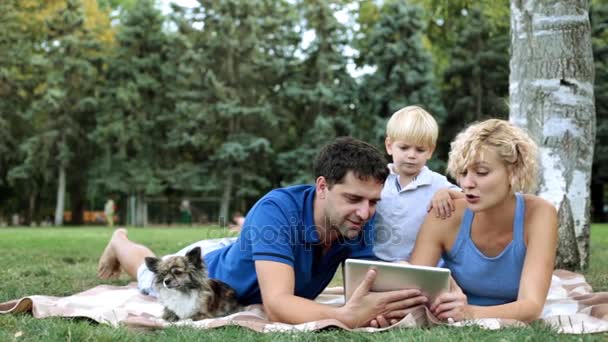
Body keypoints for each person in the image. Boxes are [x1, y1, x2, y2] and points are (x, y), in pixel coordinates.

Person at [97, 137, 427, 328]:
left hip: (250, 245)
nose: (365, 212)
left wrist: (380, 308)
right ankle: (120, 241)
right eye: (353, 198)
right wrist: (346, 316)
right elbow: (279, 305)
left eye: (372, 201)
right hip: (207, 269)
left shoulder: (360, 219)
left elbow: (366, 287)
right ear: (323, 187)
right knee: (148, 272)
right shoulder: (278, 209)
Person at [409, 119, 558, 322]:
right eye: (462, 173)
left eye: (481, 172)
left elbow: (531, 307)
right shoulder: (444, 213)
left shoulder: (540, 214)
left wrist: (468, 313)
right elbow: (412, 289)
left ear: (514, 172)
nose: (467, 183)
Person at [374, 106, 462, 262]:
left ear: (430, 151)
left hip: (420, 265)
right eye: (404, 147)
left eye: (420, 150)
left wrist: (447, 193)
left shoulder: (437, 183)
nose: (411, 155)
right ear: (389, 146)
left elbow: (468, 200)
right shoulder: (376, 179)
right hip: (376, 263)